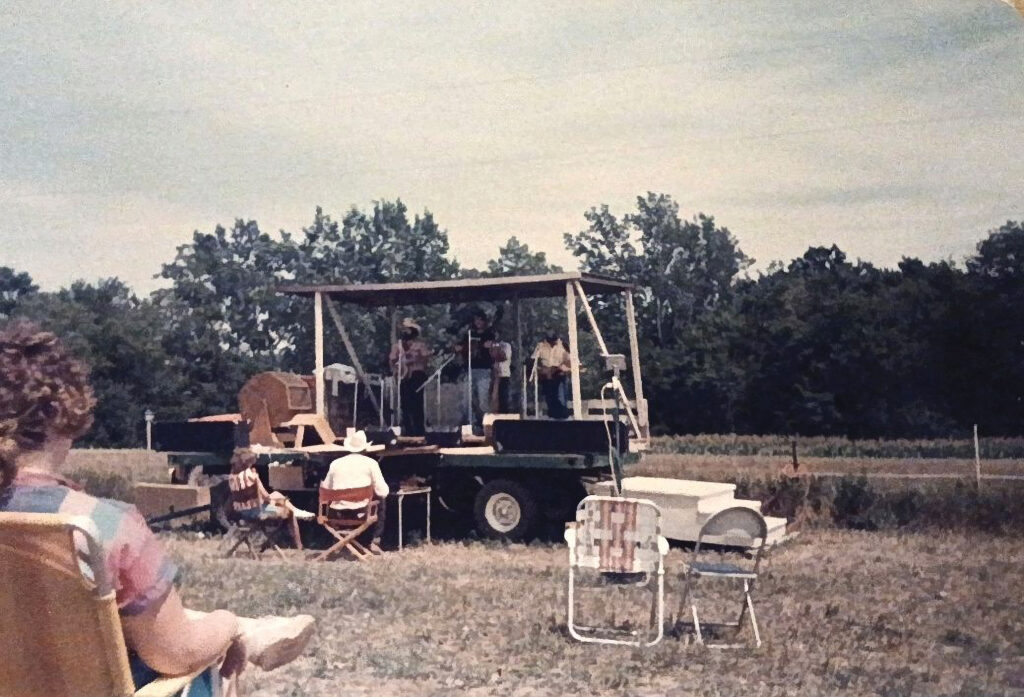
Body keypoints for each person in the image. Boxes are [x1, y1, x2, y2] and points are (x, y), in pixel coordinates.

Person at [0, 322, 315, 695]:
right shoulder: (102, 526)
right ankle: (249, 629)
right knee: (194, 652)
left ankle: (254, 629)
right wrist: (228, 624)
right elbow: (176, 655)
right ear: (62, 411)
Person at [228, 449, 315, 550]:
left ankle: (296, 511)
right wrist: (278, 502)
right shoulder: (252, 476)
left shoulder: (231, 477)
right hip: (259, 512)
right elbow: (266, 497)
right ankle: (299, 545)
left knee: (276, 495)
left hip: (242, 511)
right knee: (288, 511)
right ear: (249, 462)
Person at [321, 429, 389, 554]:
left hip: (337, 513)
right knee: (381, 500)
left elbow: (325, 489)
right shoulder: (371, 463)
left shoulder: (335, 464)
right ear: (365, 448)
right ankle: (374, 540)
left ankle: (337, 541)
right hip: (360, 513)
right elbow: (383, 491)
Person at [455, 309, 504, 429]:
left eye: (480, 320)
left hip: (484, 369)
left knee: (483, 400)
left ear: (484, 321)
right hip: (470, 368)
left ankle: (486, 426)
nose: (478, 322)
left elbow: (493, 348)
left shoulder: (489, 334)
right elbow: (462, 347)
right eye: (476, 320)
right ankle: (470, 424)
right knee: (467, 399)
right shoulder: (469, 334)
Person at [389, 318, 432, 436]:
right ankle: (408, 430)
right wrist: (397, 367)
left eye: (408, 329)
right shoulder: (397, 345)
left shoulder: (420, 345)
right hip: (403, 376)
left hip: (417, 375)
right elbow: (392, 359)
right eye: (404, 329)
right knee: (405, 404)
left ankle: (419, 431)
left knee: (417, 403)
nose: (405, 332)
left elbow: (425, 359)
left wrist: (412, 359)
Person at [532, 330, 572, 419]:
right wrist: (541, 370)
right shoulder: (540, 346)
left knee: (561, 400)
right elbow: (533, 361)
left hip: (559, 375)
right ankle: (553, 421)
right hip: (546, 377)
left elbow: (570, 362)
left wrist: (559, 368)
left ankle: (562, 420)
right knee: (550, 401)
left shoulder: (562, 346)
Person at [491, 329, 513, 414]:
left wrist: (497, 349)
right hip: (494, 374)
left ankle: (504, 414)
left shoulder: (506, 345)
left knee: (503, 396)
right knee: (494, 396)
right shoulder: (492, 345)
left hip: (504, 374)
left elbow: (504, 357)